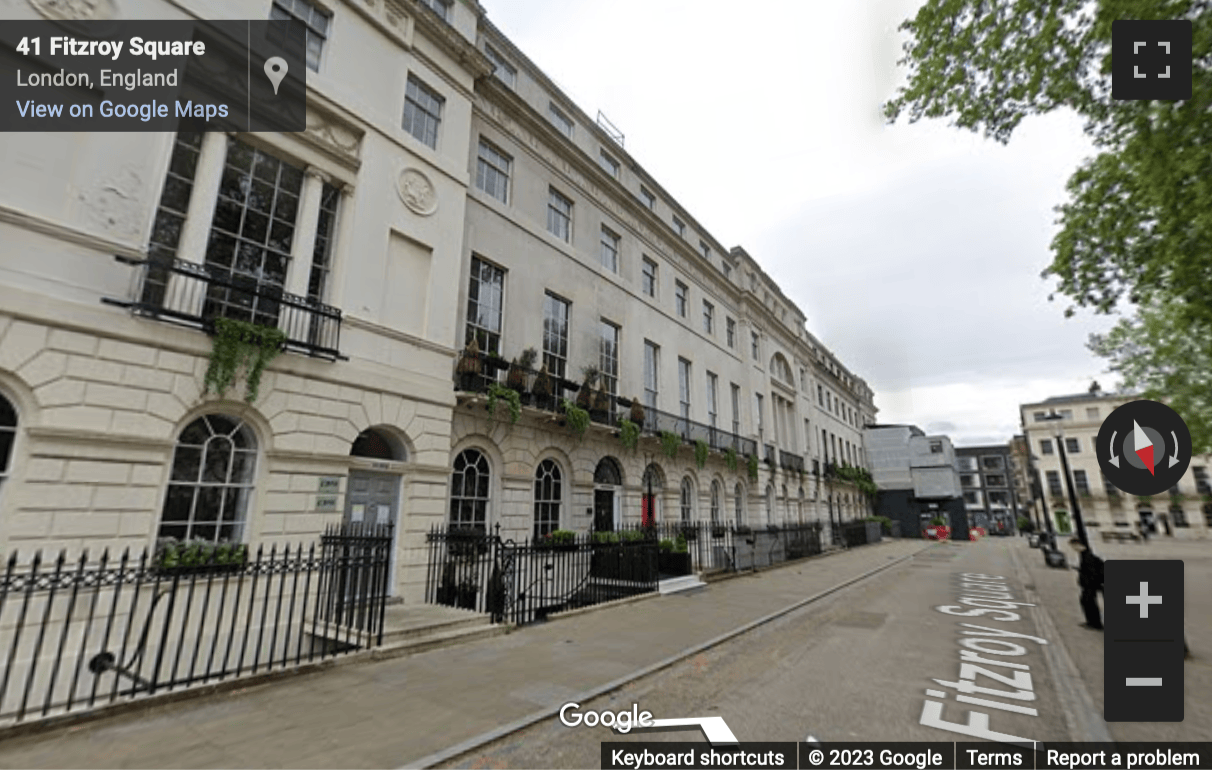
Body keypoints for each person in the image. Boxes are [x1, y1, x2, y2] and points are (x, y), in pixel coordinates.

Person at [1069, 537, 1104, 629]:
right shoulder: (1084, 554)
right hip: (1089, 584)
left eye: (1074, 546)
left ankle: (1095, 623)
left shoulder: (1087, 555)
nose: (1073, 548)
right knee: (1087, 602)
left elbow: (1092, 571)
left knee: (1088, 602)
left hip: (1090, 584)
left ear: (1079, 545)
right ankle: (1091, 622)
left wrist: (1089, 582)